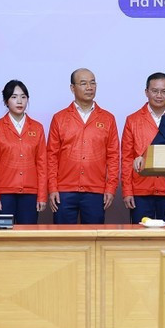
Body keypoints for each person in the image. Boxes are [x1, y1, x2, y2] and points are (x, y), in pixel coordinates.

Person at [48, 69, 120, 224]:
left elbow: (113, 157)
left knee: (94, 240)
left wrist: (110, 188)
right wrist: (53, 187)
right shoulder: (59, 118)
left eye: (92, 82)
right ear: (72, 88)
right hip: (64, 191)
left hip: (95, 190)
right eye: (83, 83)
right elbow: (51, 156)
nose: (89, 87)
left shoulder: (108, 119)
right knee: (64, 240)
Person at [121, 72, 165, 223]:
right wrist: (127, 191)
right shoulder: (132, 120)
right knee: (140, 238)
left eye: (164, 91)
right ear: (146, 92)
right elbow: (127, 158)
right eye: (154, 91)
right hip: (140, 190)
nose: (159, 95)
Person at [0, 80, 47, 224]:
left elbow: (42, 164)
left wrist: (42, 196)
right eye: (14, 97)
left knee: (27, 240)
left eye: (23, 97)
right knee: (3, 241)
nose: (19, 101)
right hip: (3, 194)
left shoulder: (37, 128)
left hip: (30, 193)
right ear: (6, 101)